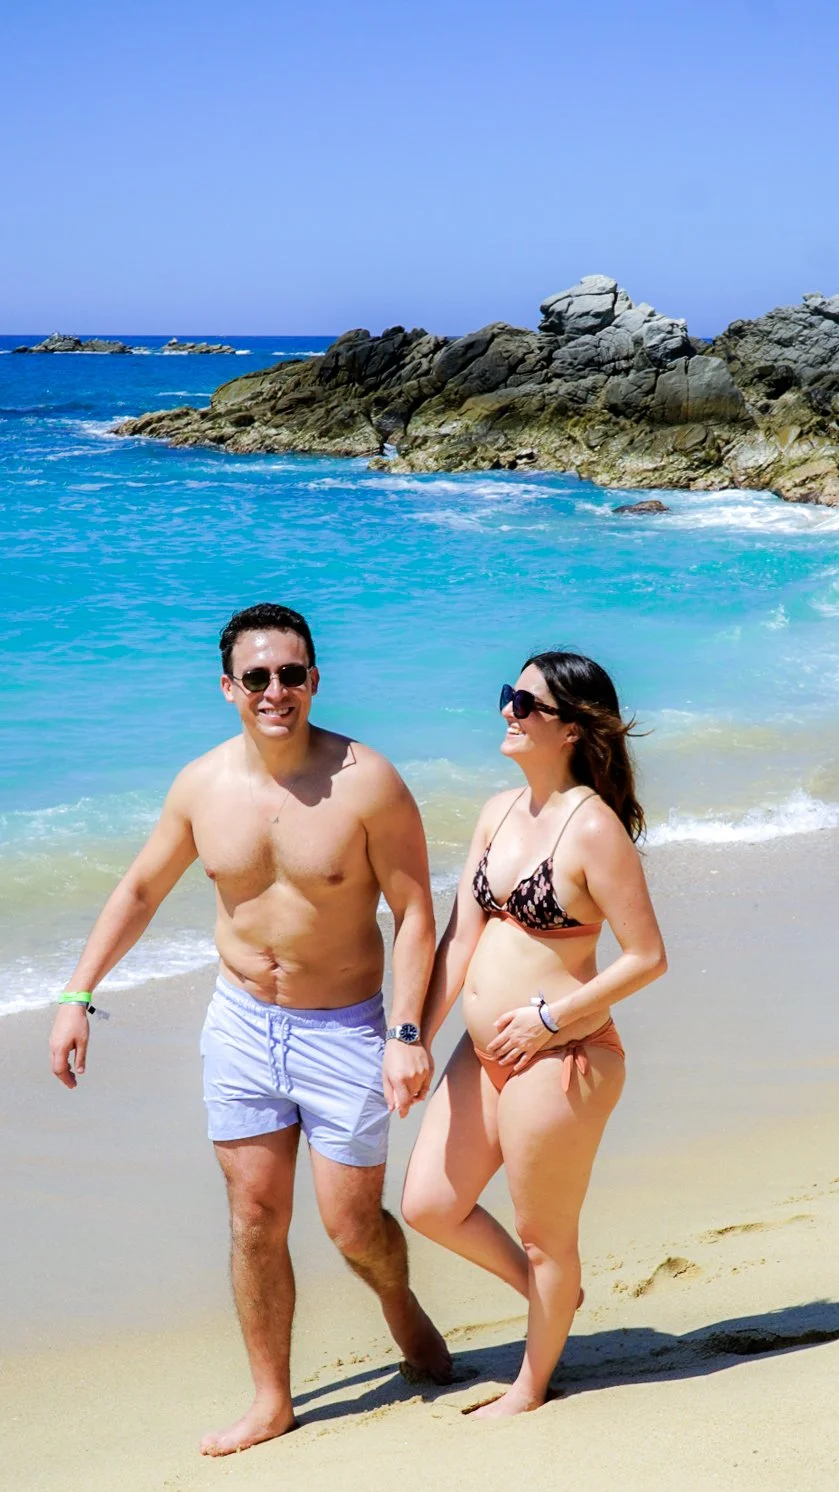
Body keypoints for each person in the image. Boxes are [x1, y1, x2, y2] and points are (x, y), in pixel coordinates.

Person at [49, 602, 450, 1455]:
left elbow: (415, 913)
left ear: (315, 680)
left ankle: (396, 1299)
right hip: (241, 1025)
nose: (276, 691)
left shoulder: (367, 781)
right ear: (228, 687)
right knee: (254, 1217)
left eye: (291, 674)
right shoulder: (201, 786)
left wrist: (407, 1034)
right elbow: (140, 891)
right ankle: (272, 1398)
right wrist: (77, 996)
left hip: (344, 1027)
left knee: (350, 1224)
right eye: (258, 677)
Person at [401, 650, 666, 1418]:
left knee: (544, 1234)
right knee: (428, 1204)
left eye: (525, 702)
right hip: (483, 1052)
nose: (507, 712)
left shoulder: (595, 830)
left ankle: (530, 1384)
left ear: (571, 729)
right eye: (505, 696)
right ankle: (555, 1298)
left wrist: (551, 1018)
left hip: (562, 1053)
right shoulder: (496, 811)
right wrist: (412, 1033)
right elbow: (458, 941)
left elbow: (648, 957)